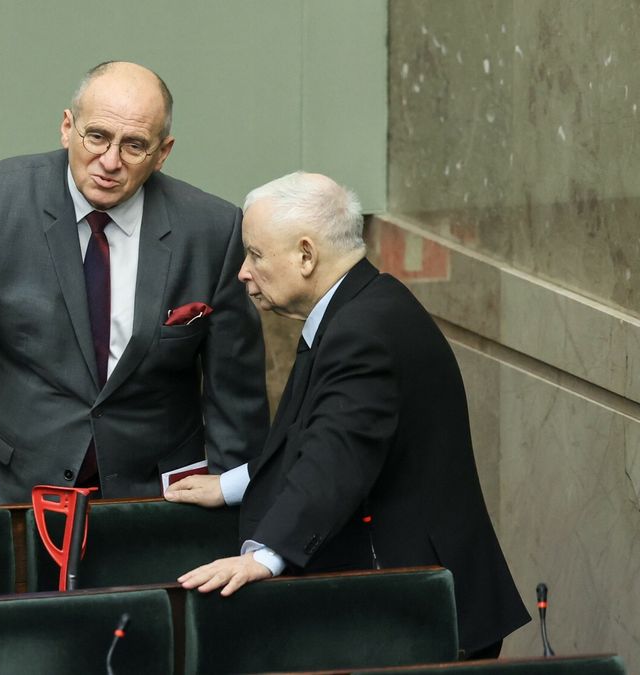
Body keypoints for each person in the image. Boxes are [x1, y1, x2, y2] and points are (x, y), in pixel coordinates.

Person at [0, 61, 268, 542]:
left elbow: (236, 391)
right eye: (97, 137)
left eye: (134, 146)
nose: (110, 161)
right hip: (7, 489)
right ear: (67, 127)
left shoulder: (212, 230)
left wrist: (242, 519)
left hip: (154, 501)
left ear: (163, 153)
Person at [166, 172, 529, 658]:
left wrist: (266, 557)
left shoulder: (363, 331)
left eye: (254, 254)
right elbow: (312, 432)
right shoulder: (361, 304)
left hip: (423, 614)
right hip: (412, 600)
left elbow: (338, 454)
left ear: (306, 255)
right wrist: (233, 483)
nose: (242, 273)